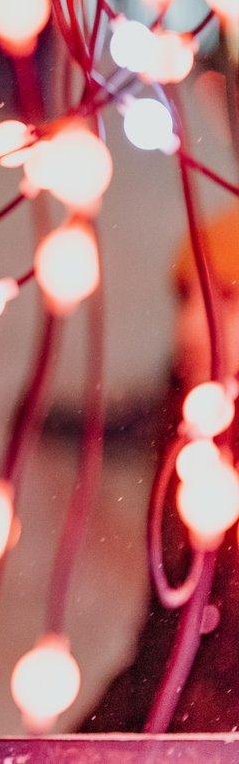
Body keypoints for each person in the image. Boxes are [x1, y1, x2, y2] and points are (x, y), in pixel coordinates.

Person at [83, 205, 239, 732]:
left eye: (228, 299)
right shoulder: (189, 435)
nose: (193, 326)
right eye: (185, 298)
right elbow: (165, 642)